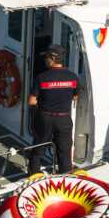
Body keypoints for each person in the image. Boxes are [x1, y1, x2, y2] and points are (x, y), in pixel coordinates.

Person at [28, 44, 80, 175]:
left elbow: (32, 101)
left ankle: (33, 175)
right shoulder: (73, 77)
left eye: (46, 57)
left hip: (45, 118)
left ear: (53, 58)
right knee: (64, 151)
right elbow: (76, 96)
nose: (45, 59)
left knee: (38, 149)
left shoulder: (41, 77)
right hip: (64, 119)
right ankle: (66, 176)